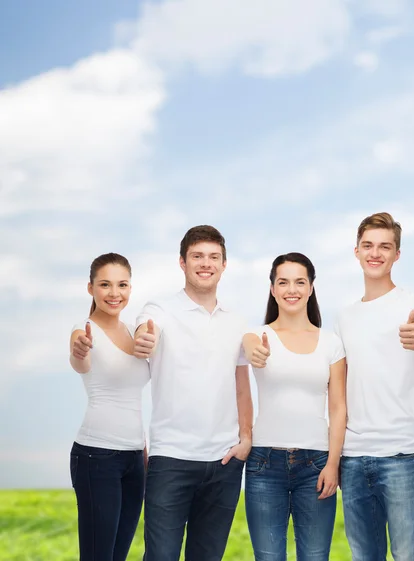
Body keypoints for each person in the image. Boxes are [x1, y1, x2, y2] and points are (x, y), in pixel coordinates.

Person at [133, 225, 253, 561]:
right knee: (161, 556)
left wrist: (246, 438)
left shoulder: (236, 321)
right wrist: (144, 338)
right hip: (171, 459)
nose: (206, 263)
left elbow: (241, 384)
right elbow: (145, 331)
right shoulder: (160, 308)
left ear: (224, 265)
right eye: (197, 256)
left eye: (214, 257)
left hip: (224, 462)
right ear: (182, 262)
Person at [334, 212, 414, 561]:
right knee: (364, 556)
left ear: (397, 254)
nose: (375, 253)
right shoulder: (344, 317)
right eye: (368, 245)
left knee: (408, 555)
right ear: (356, 252)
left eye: (385, 246)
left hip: (403, 455)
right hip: (353, 458)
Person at [243, 252, 347, 561]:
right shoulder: (257, 336)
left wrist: (333, 463)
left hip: (316, 465)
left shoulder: (331, 342)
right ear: (272, 289)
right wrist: (252, 349)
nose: (292, 289)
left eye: (300, 282)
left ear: (311, 287)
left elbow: (339, 408)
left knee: (315, 556)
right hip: (264, 463)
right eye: (283, 282)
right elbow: (247, 345)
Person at [69, 252, 150, 561]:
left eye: (122, 285)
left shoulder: (133, 330)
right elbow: (80, 360)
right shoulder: (83, 330)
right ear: (91, 288)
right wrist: (80, 351)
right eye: (105, 285)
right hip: (96, 456)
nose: (114, 293)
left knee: (119, 555)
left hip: (135, 459)